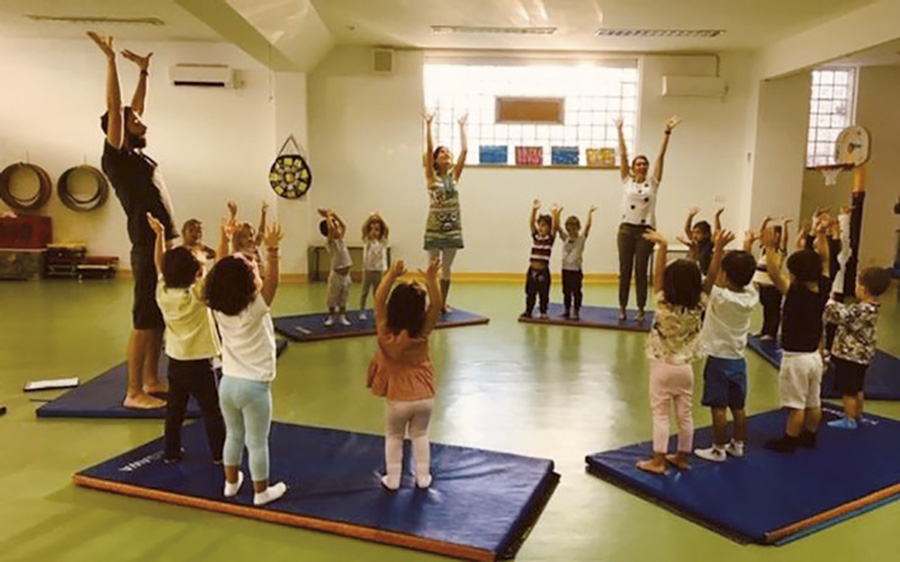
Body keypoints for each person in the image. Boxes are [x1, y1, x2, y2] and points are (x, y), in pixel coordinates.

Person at [90, 31, 174, 409]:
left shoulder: (137, 155)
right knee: (143, 317)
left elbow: (132, 107)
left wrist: (144, 72)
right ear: (117, 130)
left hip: (161, 242)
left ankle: (153, 379)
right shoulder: (116, 158)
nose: (141, 119)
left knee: (156, 314)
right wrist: (110, 61)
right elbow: (119, 105)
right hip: (144, 242)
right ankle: (133, 392)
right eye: (133, 119)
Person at [635, 228, 731, 474]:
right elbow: (710, 277)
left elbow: (657, 275)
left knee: (661, 414)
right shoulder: (700, 302)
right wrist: (718, 249)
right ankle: (682, 456)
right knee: (685, 415)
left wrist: (663, 246)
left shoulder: (662, 300)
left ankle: (658, 460)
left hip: (661, 366)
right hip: (685, 369)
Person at [206, 223, 287, 506]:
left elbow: (222, 272)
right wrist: (273, 251)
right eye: (253, 272)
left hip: (227, 384)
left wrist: (228, 243)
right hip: (254, 387)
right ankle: (261, 492)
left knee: (234, 435)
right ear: (248, 285)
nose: (256, 270)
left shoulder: (218, 308)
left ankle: (231, 483)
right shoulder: (255, 308)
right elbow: (273, 282)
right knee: (257, 441)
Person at [148, 213, 225, 464]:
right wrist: (226, 236)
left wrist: (159, 235)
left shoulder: (163, 291)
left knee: (175, 411)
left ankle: (171, 453)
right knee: (212, 410)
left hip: (176, 362)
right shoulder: (196, 296)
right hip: (200, 364)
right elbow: (220, 265)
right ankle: (218, 456)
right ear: (196, 274)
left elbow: (160, 263)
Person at [367, 259, 442, 490]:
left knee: (394, 436)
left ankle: (393, 478)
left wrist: (391, 275)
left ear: (393, 309)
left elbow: (379, 299)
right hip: (424, 397)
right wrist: (431, 281)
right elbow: (437, 306)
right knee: (420, 435)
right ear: (420, 311)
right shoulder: (422, 331)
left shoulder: (385, 329)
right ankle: (422, 477)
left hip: (398, 399)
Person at [761, 222, 831, 453]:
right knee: (813, 400)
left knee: (796, 404)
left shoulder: (795, 293)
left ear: (795, 274)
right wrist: (821, 234)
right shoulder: (823, 287)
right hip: (813, 356)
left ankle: (790, 440)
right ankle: (810, 436)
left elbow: (772, 272)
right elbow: (825, 260)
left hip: (796, 359)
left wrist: (770, 246)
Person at [693, 237, 759, 462]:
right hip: (738, 360)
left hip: (718, 361)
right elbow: (745, 274)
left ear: (725, 274)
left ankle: (718, 449)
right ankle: (738, 445)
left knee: (718, 408)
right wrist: (747, 248)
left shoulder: (720, 297)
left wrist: (718, 249)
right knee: (738, 407)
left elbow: (710, 279)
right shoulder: (751, 296)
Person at [614, 115, 682, 323]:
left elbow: (661, 156)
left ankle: (641, 309)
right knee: (624, 270)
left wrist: (667, 132)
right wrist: (619, 131)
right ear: (634, 168)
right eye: (639, 164)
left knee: (641, 272)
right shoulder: (627, 181)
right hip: (626, 229)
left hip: (645, 232)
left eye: (644, 164)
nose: (642, 166)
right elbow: (624, 156)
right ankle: (623, 307)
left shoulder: (653, 183)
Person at [824, 267, 892, 429]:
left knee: (848, 389)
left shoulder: (860, 310)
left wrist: (828, 301)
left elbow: (841, 315)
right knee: (858, 387)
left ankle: (849, 419)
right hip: (863, 356)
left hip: (851, 356)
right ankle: (858, 415)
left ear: (863, 289)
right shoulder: (873, 308)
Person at [423, 111, 468, 313]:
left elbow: (465, 152)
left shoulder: (454, 176)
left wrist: (461, 126)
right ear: (435, 159)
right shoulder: (432, 177)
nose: (446, 155)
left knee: (447, 268)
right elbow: (430, 148)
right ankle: (432, 301)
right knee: (433, 267)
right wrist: (429, 124)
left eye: (448, 152)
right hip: (435, 227)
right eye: (442, 153)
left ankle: (442, 303)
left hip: (452, 227)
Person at [750, 216, 789, 340]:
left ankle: (771, 333)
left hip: (773, 287)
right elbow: (762, 236)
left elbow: (785, 240)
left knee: (773, 311)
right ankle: (764, 331)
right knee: (766, 310)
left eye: (774, 234)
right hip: (763, 287)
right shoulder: (764, 250)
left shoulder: (779, 251)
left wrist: (785, 225)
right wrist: (765, 221)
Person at [521, 200, 561, 319]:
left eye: (544, 225)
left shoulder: (550, 239)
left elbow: (556, 226)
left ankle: (543, 311)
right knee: (530, 293)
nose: (541, 228)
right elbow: (531, 224)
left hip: (543, 271)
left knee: (544, 293)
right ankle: (528, 310)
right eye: (540, 225)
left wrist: (555, 214)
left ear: (549, 228)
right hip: (532, 270)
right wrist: (534, 210)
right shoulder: (536, 237)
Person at [557, 206, 596, 320]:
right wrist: (557, 214)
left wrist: (589, 213)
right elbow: (557, 228)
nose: (572, 230)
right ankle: (567, 310)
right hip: (565, 269)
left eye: (574, 228)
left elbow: (588, 227)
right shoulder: (565, 238)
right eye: (569, 228)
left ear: (578, 228)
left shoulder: (581, 239)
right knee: (566, 291)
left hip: (576, 270)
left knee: (577, 291)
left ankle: (576, 310)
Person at [318, 208, 352, 327]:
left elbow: (344, 225)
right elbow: (331, 229)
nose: (338, 229)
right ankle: (331, 317)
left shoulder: (341, 239)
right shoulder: (330, 242)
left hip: (346, 275)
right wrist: (328, 216)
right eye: (334, 227)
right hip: (336, 275)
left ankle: (342, 316)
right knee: (333, 296)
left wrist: (334, 215)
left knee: (344, 296)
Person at [359, 213, 390, 320]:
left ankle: (377, 310)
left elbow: (386, 228)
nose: (374, 232)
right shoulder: (367, 240)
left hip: (378, 270)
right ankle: (362, 310)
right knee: (364, 292)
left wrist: (379, 217)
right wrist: (370, 218)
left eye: (376, 229)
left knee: (377, 293)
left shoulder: (382, 241)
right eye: (371, 229)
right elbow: (364, 227)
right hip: (368, 270)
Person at [679, 207, 722, 276]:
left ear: (706, 234)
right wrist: (690, 216)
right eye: (694, 232)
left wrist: (717, 217)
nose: (694, 235)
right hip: (693, 272)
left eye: (698, 232)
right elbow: (687, 229)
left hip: (705, 274)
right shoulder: (694, 243)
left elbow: (717, 232)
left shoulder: (709, 244)